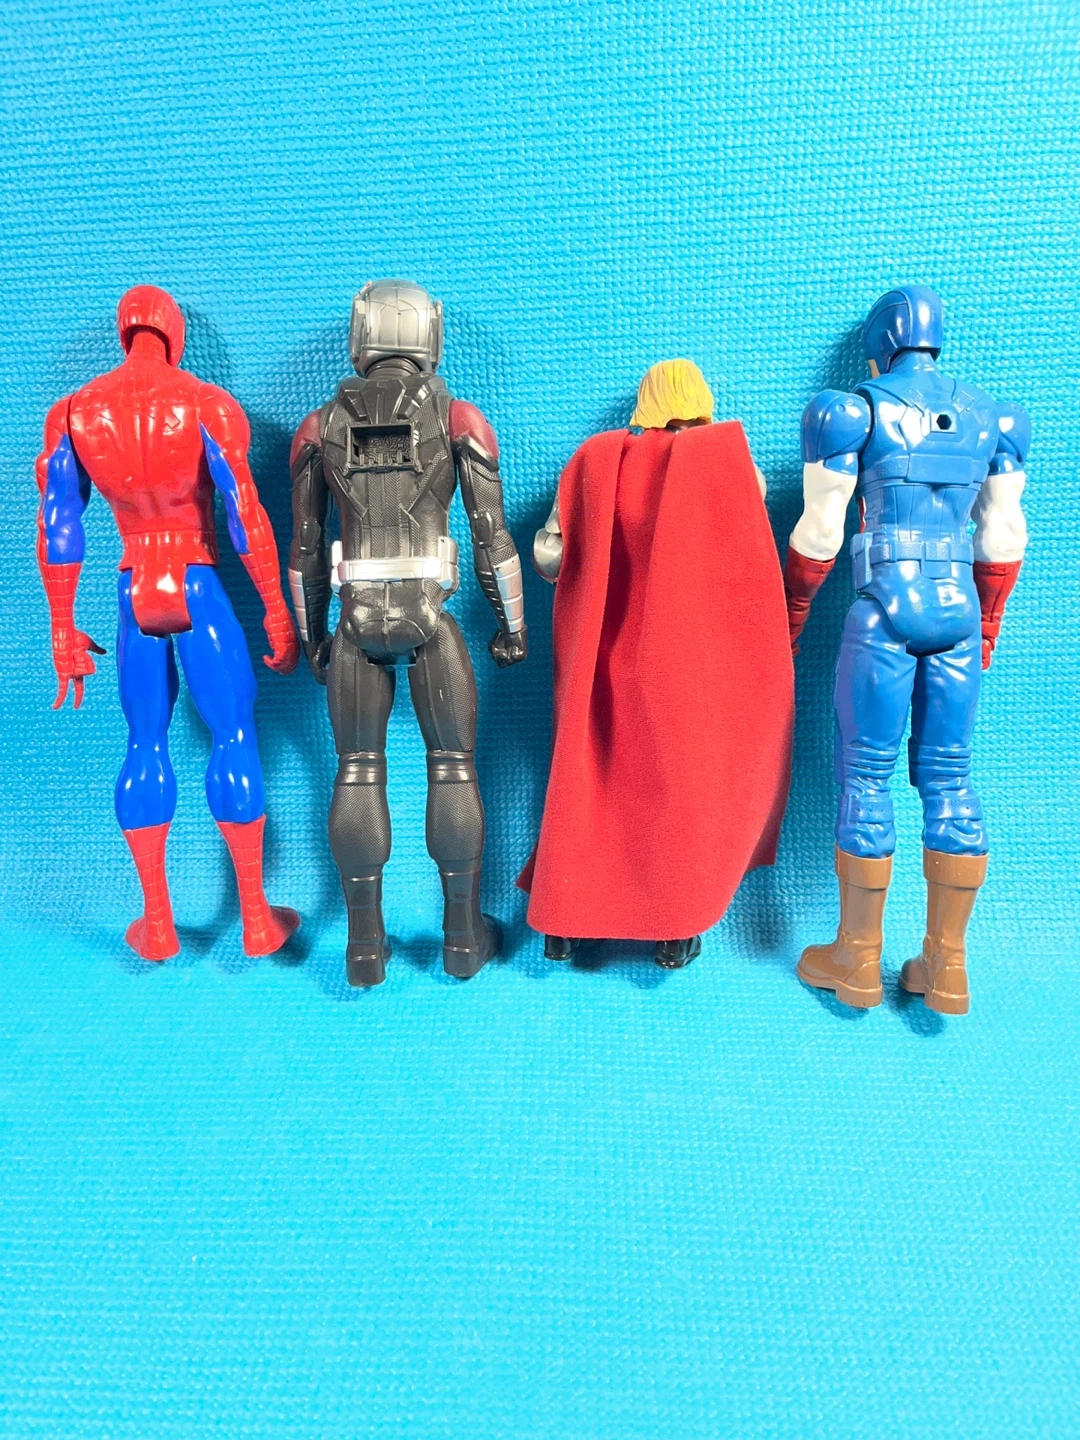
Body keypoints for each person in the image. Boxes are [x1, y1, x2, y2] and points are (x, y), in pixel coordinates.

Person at [37, 285, 300, 961]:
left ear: (124, 333)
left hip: (133, 586)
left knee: (143, 742)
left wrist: (62, 627)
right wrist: (275, 607)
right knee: (233, 735)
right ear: (173, 334)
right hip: (196, 579)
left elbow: (60, 523)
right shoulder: (206, 404)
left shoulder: (75, 412)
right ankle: (255, 920)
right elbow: (244, 513)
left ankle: (158, 925)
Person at [784, 286, 1028, 1013]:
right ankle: (946, 965)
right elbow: (1002, 536)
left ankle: (857, 960)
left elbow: (821, 530)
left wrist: (792, 612)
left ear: (879, 346)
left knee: (865, 778)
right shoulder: (995, 418)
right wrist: (987, 624)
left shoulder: (849, 412)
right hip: (957, 612)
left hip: (885, 609)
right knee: (950, 779)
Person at [520, 359, 793, 968]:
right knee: (679, 792)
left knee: (589, 785)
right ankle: (676, 925)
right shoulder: (730, 463)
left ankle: (565, 924)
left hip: (605, 656)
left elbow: (550, 558)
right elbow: (745, 555)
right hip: (687, 660)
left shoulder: (596, 460)